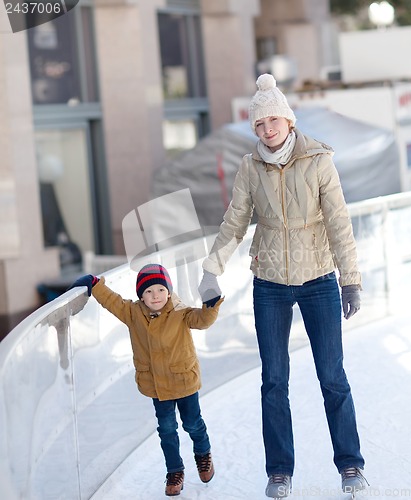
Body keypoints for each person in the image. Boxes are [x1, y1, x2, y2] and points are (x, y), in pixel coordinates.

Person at [198, 74, 367, 498]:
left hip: (318, 280)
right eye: (259, 124)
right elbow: (235, 222)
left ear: (288, 121)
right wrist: (211, 268)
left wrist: (350, 280)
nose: (267, 129)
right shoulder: (250, 167)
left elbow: (339, 223)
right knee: (274, 380)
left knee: (332, 376)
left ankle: (350, 465)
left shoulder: (319, 160)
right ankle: (280, 472)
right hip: (270, 283)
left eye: (273, 120)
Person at [71, 264, 223, 497]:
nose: (156, 296)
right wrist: (95, 284)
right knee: (166, 429)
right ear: (141, 295)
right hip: (156, 384)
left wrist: (210, 306)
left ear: (169, 292)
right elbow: (113, 301)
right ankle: (175, 471)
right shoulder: (133, 313)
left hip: (183, 380)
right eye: (149, 291)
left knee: (192, 423)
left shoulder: (181, 312)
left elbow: (202, 320)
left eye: (161, 290)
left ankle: (203, 454)